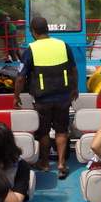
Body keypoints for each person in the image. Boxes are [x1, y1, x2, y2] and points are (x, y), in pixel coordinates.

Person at [14, 16, 78, 179]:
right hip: (63, 98)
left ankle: (44, 163)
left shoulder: (31, 49)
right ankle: (62, 164)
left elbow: (21, 78)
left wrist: (16, 96)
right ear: (47, 29)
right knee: (61, 130)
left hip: (42, 100)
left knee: (43, 132)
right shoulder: (63, 45)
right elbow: (73, 70)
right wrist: (75, 89)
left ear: (33, 31)